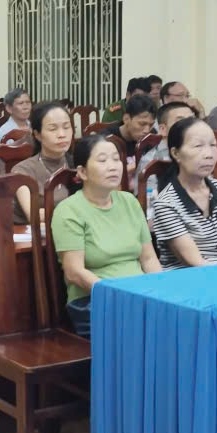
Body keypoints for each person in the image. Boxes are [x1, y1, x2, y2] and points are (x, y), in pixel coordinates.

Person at [52, 134, 161, 336]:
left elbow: (148, 259)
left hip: (139, 295)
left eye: (116, 159)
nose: (113, 167)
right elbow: (74, 272)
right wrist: (117, 295)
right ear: (82, 172)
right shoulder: (69, 210)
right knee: (150, 331)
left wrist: (162, 292)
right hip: (94, 301)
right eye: (102, 161)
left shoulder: (129, 201)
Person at [150, 117, 217, 270]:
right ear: (176, 153)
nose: (209, 154)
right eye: (198, 146)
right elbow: (195, 263)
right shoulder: (166, 204)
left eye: (213, 145)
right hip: (189, 278)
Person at [12, 101, 74, 223]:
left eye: (66, 127)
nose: (62, 134)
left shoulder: (79, 165)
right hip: (35, 233)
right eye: (53, 129)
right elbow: (33, 215)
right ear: (37, 135)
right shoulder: (22, 171)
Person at [136, 100, 196, 204]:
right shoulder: (151, 161)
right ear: (163, 129)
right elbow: (149, 203)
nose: (189, 126)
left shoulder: (199, 154)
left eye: (192, 120)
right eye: (180, 121)